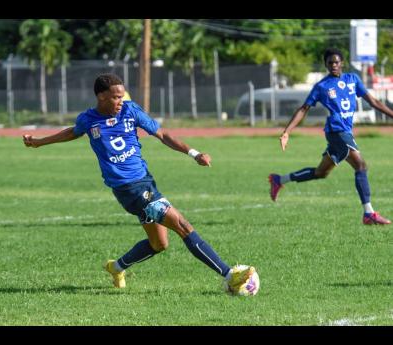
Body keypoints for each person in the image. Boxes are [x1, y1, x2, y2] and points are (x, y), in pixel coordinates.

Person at [23, 73, 257, 295]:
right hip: (129, 189)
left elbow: (163, 134)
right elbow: (72, 132)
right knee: (183, 225)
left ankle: (116, 267)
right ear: (102, 97)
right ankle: (229, 275)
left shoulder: (130, 110)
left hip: (145, 181)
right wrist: (39, 142)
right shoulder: (88, 119)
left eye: (122, 95)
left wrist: (194, 153)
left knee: (159, 244)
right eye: (115, 96)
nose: (120, 100)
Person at [269, 48, 393, 225]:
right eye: (330, 63)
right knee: (361, 165)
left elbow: (374, 102)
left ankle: (279, 179)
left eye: (336, 62)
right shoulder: (322, 86)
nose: (333, 65)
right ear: (326, 65)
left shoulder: (353, 79)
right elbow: (304, 109)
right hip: (336, 132)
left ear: (342, 62)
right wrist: (286, 132)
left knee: (321, 173)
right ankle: (369, 213)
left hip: (345, 132)